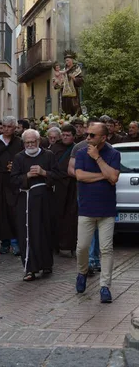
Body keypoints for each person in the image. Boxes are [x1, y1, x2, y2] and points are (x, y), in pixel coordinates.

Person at [75, 122, 121, 303]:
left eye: (92, 135)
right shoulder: (80, 153)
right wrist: (105, 175)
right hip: (86, 208)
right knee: (82, 247)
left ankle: (105, 287)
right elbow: (80, 176)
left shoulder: (113, 154)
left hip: (107, 209)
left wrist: (98, 159)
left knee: (106, 249)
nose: (87, 138)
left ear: (103, 137)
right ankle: (82, 272)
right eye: (87, 134)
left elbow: (115, 178)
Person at [10, 129, 56, 281]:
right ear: (23, 143)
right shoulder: (19, 158)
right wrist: (27, 176)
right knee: (27, 234)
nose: (30, 145)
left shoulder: (48, 155)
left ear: (38, 142)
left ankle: (46, 264)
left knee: (45, 231)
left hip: (45, 201)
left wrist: (44, 173)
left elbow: (57, 176)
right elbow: (13, 180)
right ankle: (30, 269)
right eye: (27, 142)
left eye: (33, 142)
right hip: (26, 201)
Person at [0, 116, 24, 255]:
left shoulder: (19, 142)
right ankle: (4, 242)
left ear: (14, 128)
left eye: (10, 127)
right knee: (0, 210)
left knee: (13, 210)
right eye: (5, 126)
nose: (7, 129)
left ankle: (15, 241)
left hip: (14, 179)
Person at [51, 124, 78, 254]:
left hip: (73, 185)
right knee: (57, 214)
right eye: (64, 135)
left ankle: (70, 244)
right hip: (58, 185)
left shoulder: (77, 148)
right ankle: (56, 244)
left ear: (74, 136)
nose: (65, 137)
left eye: (68, 135)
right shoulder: (55, 148)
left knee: (71, 215)